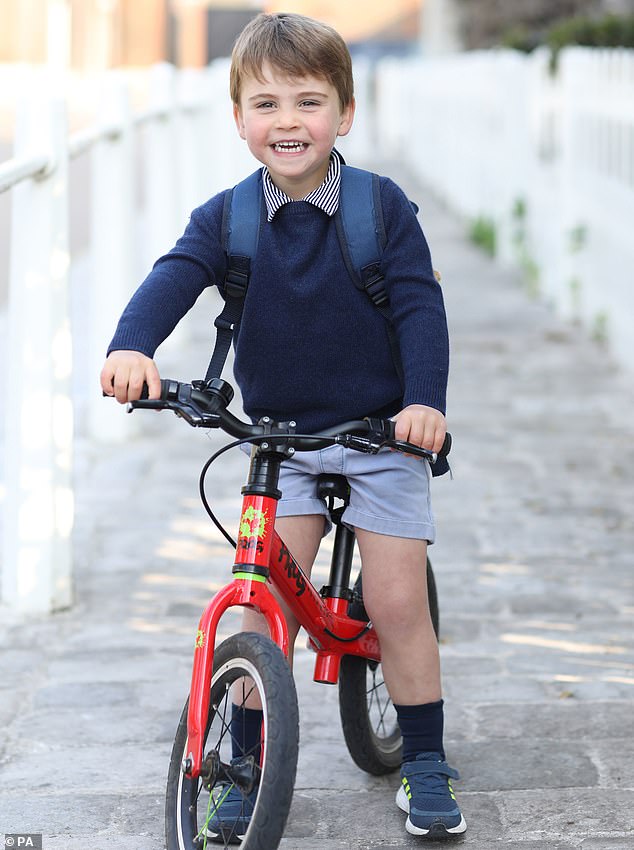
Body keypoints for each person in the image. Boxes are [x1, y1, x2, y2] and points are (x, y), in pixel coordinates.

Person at [101, 11, 466, 841]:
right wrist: (132, 346)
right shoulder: (227, 218)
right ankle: (241, 763)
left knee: (396, 600)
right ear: (239, 120)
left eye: (309, 101)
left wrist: (424, 403)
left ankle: (425, 758)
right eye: (266, 104)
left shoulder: (380, 209)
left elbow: (420, 305)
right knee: (263, 607)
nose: (288, 121)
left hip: (380, 434)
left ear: (345, 112)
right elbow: (174, 276)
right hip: (279, 442)